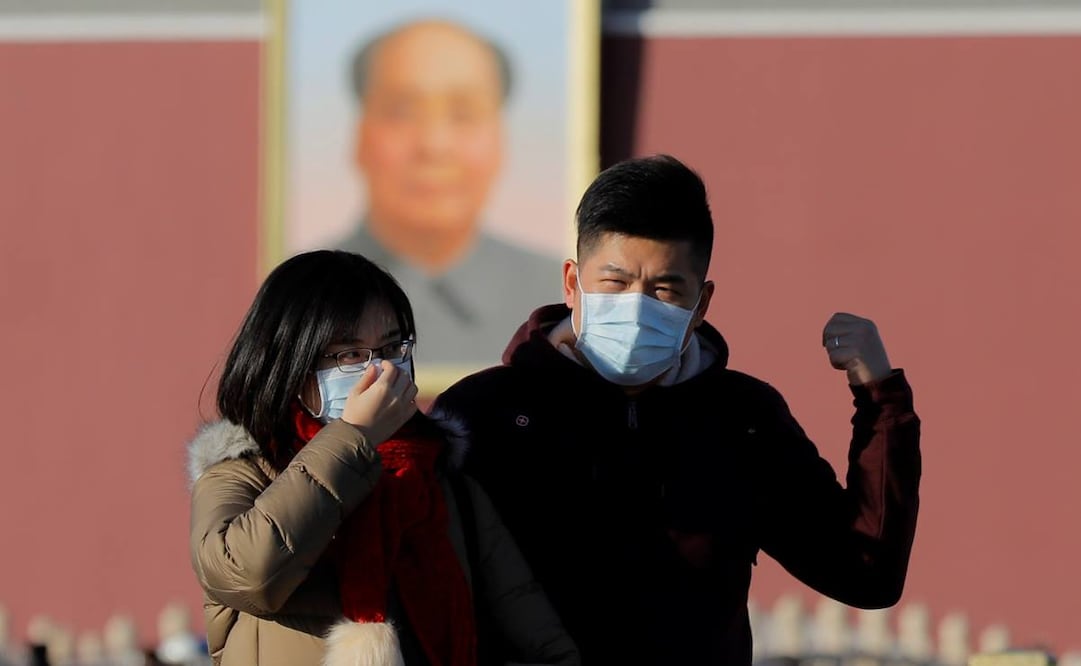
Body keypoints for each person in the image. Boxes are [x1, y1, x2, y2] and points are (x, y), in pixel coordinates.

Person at [431, 154, 922, 664]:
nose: (638, 308)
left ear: (701, 303)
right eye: (615, 284)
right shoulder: (485, 414)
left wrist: (880, 396)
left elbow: (866, 572)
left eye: (665, 290)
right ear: (573, 283)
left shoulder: (743, 419)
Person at [187, 250, 578, 666]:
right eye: (350, 355)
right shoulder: (243, 473)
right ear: (290, 363)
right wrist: (352, 438)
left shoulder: (442, 481)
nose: (381, 371)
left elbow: (545, 648)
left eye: (392, 348)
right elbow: (247, 575)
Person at [333, 18, 562, 366]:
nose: (434, 145)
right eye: (401, 112)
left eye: (464, 114)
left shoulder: (553, 294)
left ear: (501, 141)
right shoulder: (312, 289)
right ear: (360, 136)